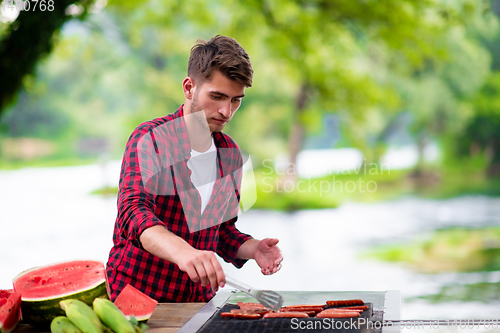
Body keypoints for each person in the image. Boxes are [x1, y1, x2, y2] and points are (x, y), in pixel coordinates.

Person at [106, 35, 283, 302]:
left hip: (198, 304)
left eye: (236, 100)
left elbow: (220, 231)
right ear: (189, 88)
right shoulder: (151, 139)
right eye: (218, 96)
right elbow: (134, 213)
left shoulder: (230, 154)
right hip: (138, 299)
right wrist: (183, 251)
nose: (226, 111)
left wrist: (253, 248)